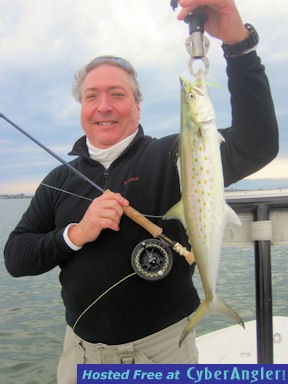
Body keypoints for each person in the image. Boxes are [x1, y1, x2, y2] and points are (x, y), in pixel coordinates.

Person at [4, 0, 278, 382]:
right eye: (91, 96)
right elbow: (16, 258)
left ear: (137, 104)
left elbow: (258, 143)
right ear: (80, 107)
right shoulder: (57, 179)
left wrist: (237, 42)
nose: (104, 107)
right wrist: (76, 235)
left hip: (162, 353)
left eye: (117, 94)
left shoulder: (174, 154)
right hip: (79, 356)